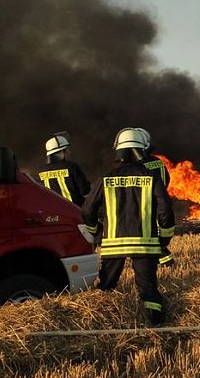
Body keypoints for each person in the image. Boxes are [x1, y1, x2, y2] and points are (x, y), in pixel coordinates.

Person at [81, 128, 175, 326]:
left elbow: (87, 210)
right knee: (148, 289)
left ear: (119, 151)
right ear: (141, 150)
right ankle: (156, 325)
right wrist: (165, 237)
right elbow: (166, 209)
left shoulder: (106, 178)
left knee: (106, 286)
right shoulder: (151, 177)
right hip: (145, 243)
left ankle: (103, 324)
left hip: (113, 244)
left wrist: (95, 231)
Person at [136, 128, 174, 266]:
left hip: (147, 206)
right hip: (161, 203)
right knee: (157, 238)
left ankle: (166, 263)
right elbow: (167, 180)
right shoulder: (158, 161)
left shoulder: (138, 166)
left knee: (152, 239)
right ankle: (163, 262)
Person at [37, 132, 90, 206]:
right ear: (61, 152)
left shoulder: (41, 171)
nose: (69, 152)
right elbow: (85, 192)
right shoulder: (72, 167)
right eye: (66, 150)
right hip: (73, 211)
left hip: (53, 213)